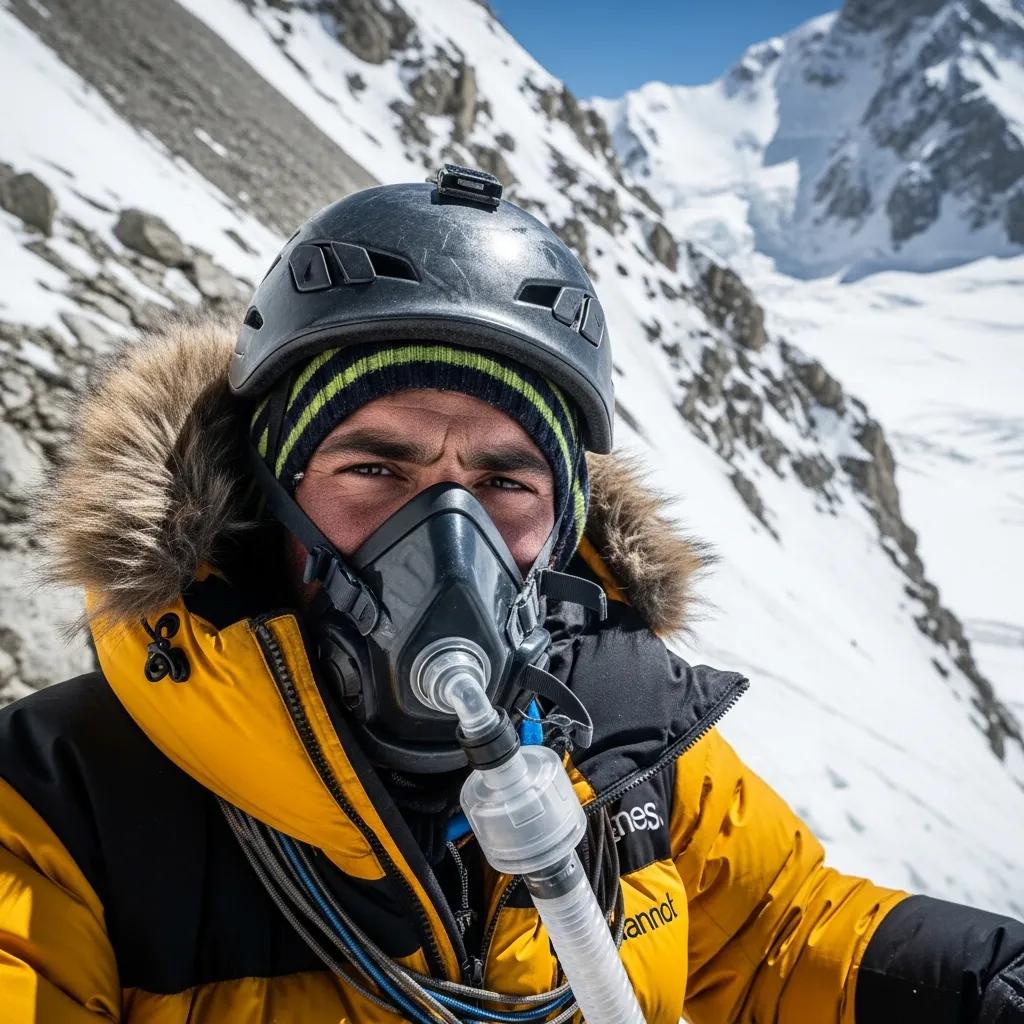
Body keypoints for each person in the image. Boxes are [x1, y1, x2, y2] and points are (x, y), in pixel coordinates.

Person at [1, 165, 1021, 1023]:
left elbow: (776, 938)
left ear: (564, 519)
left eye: (502, 481)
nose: (450, 541)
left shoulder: (627, 744)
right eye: (375, 469)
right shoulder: (63, 809)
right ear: (270, 501)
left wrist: (986, 981)